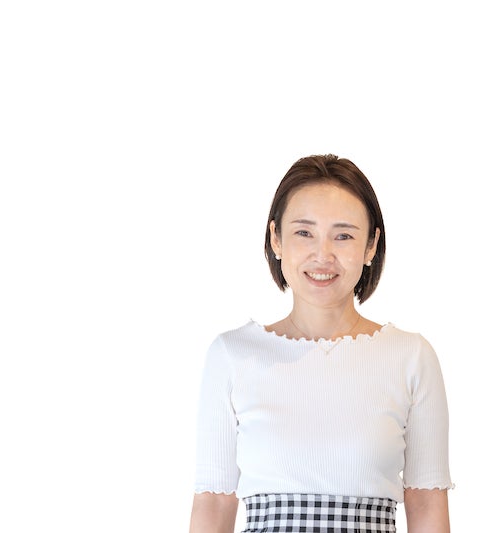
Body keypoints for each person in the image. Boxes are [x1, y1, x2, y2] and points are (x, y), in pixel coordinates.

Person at [189, 154, 453, 533]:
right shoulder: (232, 355)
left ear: (371, 245)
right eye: (304, 233)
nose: (323, 255)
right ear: (276, 238)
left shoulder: (411, 357)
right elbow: (213, 504)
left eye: (343, 236)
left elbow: (426, 504)